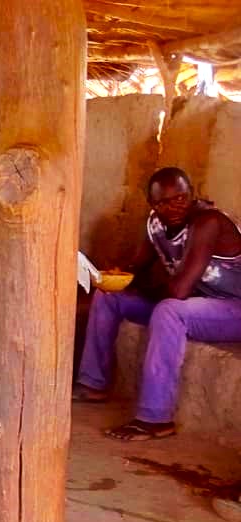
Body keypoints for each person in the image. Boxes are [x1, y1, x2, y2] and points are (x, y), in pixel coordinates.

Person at [72, 167, 241, 441]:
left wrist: (144, 288)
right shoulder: (155, 224)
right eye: (163, 202)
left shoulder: (208, 222)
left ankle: (155, 419)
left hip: (232, 308)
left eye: (180, 198)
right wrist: (116, 276)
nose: (173, 207)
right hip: (200, 305)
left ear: (192, 195)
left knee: (169, 311)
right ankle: (93, 384)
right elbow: (137, 266)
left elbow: (178, 291)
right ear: (152, 204)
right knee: (109, 297)